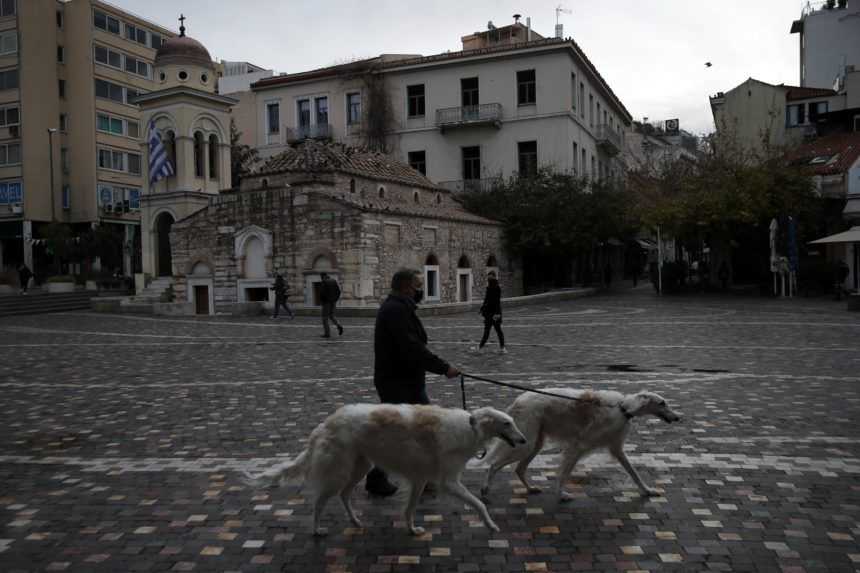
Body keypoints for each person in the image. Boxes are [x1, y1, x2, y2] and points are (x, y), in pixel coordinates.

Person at [365, 268, 461, 496]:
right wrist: (443, 368)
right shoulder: (395, 310)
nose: (421, 290)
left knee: (413, 431)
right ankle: (386, 478)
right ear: (407, 287)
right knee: (405, 432)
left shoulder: (400, 307)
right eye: (419, 285)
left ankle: (415, 478)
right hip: (398, 383)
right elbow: (412, 348)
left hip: (406, 380)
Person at [473, 271, 506, 353]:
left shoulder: (497, 288)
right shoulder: (489, 288)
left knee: (498, 330)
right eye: (488, 278)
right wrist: (482, 309)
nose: (489, 279)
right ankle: (480, 347)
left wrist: (497, 313)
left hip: (495, 314)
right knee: (487, 331)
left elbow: (497, 301)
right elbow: (486, 299)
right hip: (488, 313)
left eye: (491, 277)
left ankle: (502, 348)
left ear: (494, 277)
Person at [319, 272, 343, 338]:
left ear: (323, 276)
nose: (320, 278)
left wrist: (322, 301)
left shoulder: (324, 282)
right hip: (333, 301)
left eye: (321, 277)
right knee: (332, 316)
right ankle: (339, 325)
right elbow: (338, 291)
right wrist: (335, 299)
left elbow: (322, 293)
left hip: (326, 302)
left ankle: (327, 333)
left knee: (325, 318)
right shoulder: (333, 281)